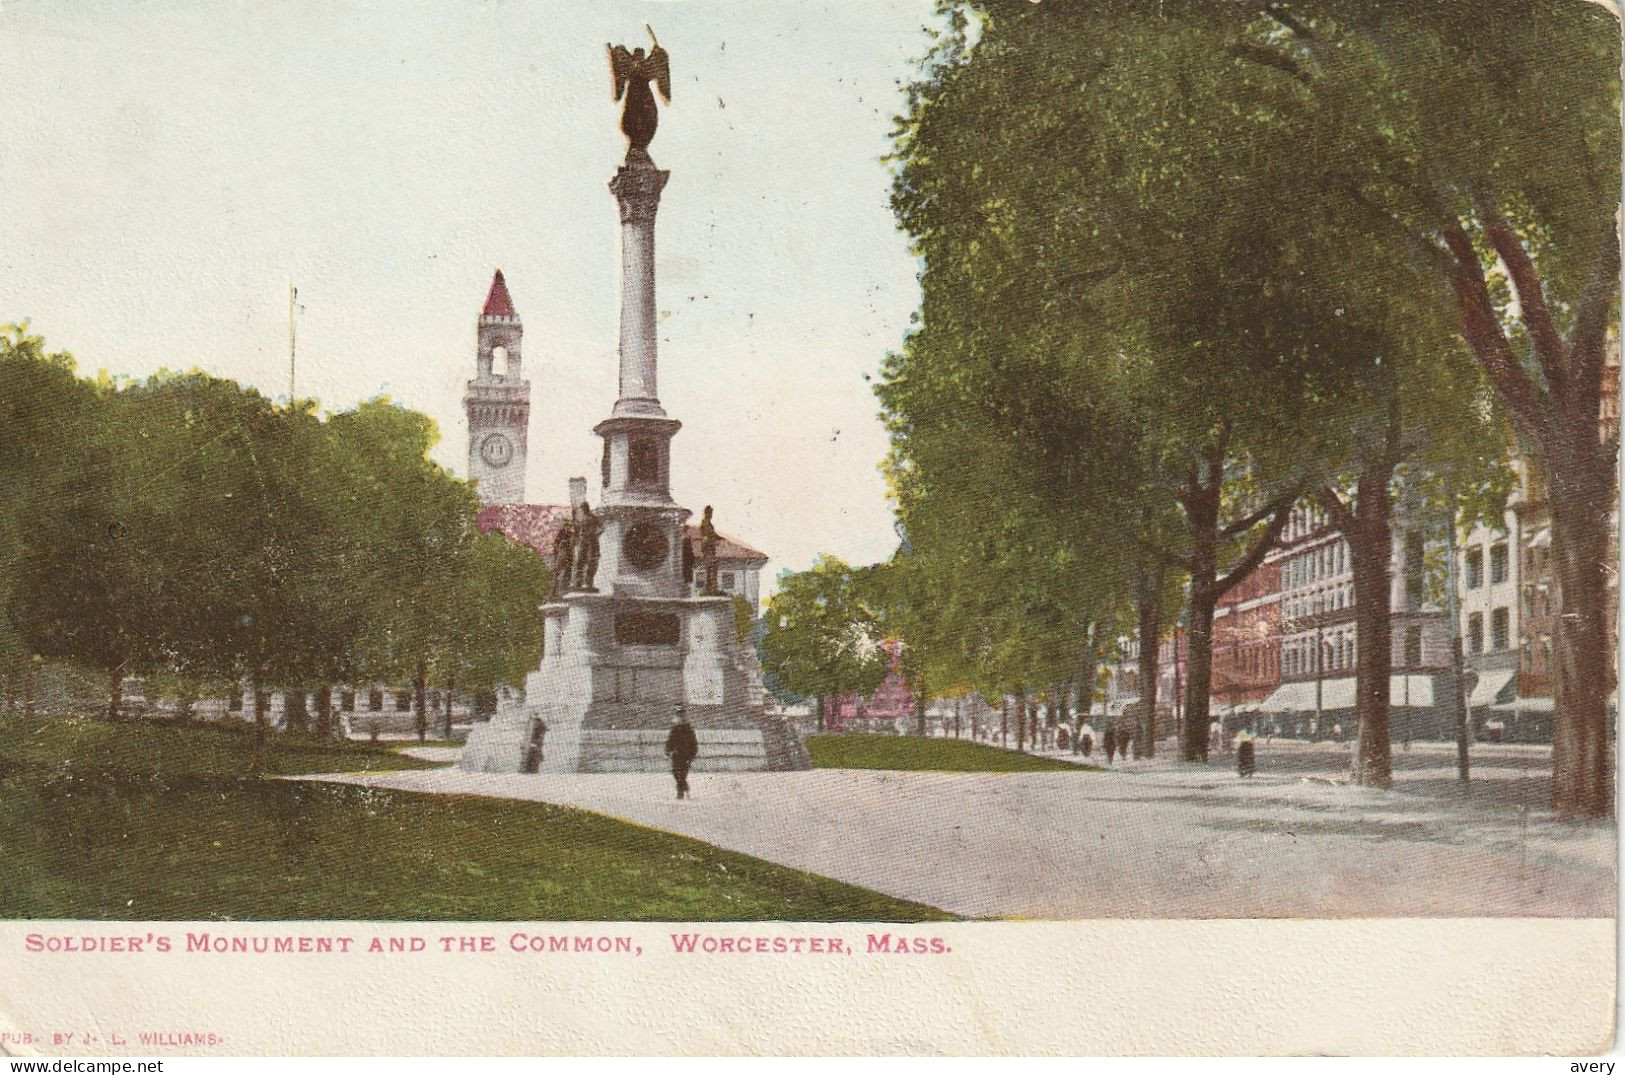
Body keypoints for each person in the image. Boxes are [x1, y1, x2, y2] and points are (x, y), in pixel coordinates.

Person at [664, 706, 698, 800]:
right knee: (675, 772)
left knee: (682, 774)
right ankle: (684, 787)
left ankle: (680, 792)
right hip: (676, 754)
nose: (680, 717)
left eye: (681, 715)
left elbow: (694, 743)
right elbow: (670, 741)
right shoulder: (674, 729)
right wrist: (667, 751)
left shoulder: (688, 729)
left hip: (686, 755)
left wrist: (692, 755)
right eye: (678, 715)